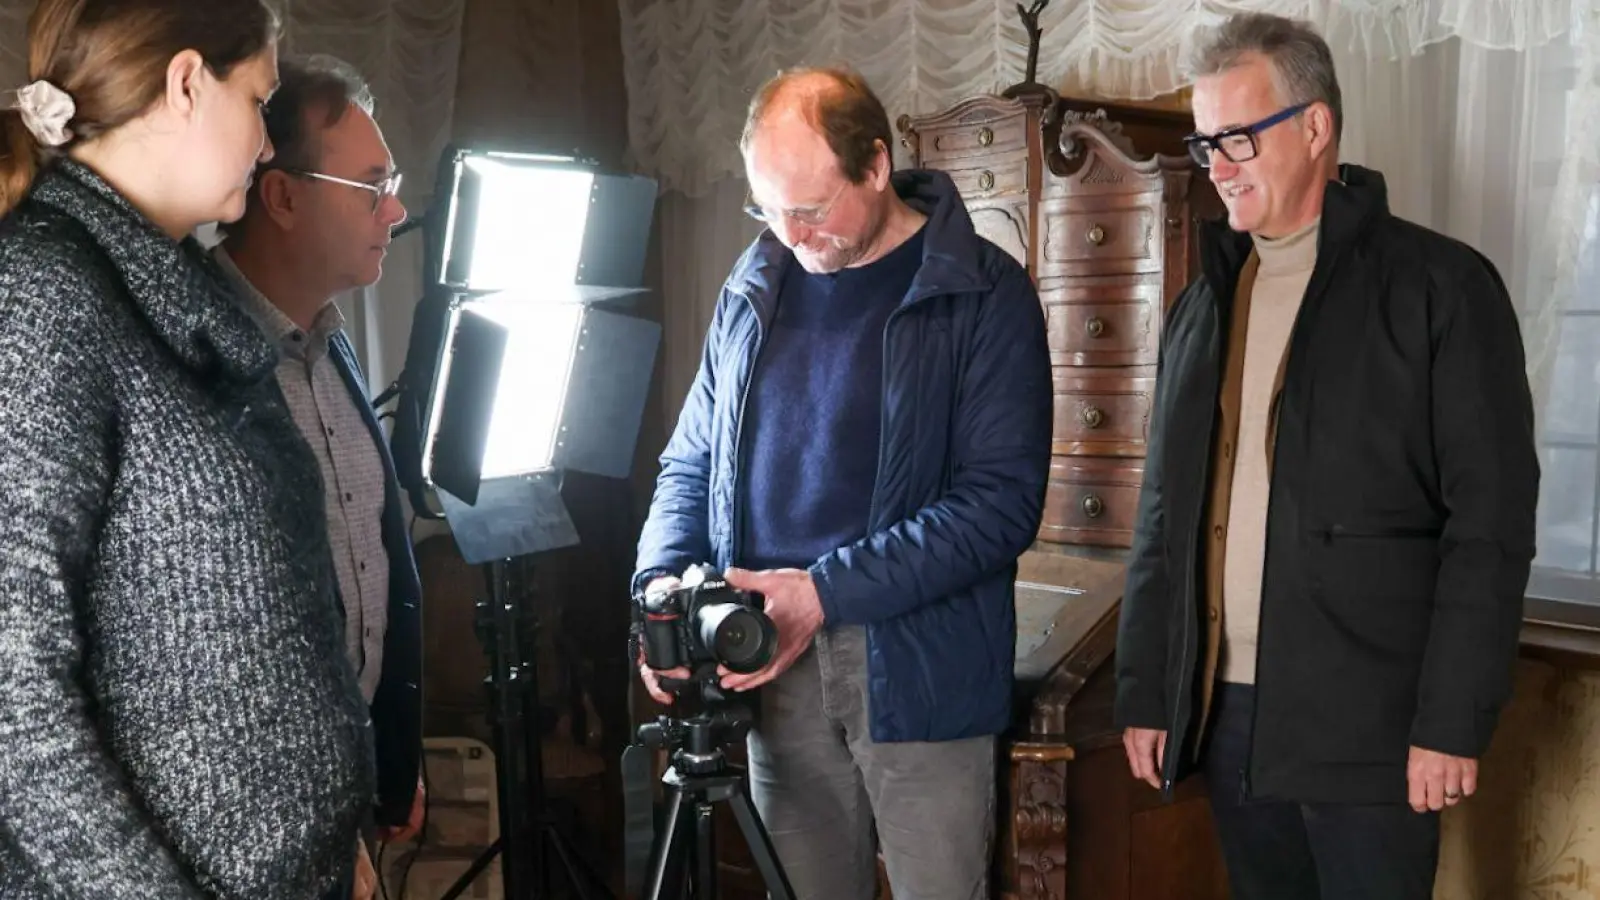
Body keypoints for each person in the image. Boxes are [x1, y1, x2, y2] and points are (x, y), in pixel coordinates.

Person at [1113, 12, 1539, 900]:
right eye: (1205, 144)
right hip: (1225, 718)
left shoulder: (1443, 289)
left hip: (1375, 729)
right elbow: (1162, 519)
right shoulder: (1204, 306)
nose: (1218, 165)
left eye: (1237, 137)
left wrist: (1451, 723)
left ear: (1315, 127)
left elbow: (1489, 526)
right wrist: (1148, 693)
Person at [632, 67, 1052, 900]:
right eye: (769, 209)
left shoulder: (987, 294)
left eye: (811, 209)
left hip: (921, 674)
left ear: (874, 166)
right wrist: (656, 589)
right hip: (767, 659)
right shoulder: (751, 288)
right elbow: (689, 461)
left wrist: (823, 593)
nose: (788, 233)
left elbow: (1000, 505)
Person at [0, 2, 375, 898]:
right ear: (184, 83)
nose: (262, 140)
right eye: (257, 100)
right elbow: (15, 695)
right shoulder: (43, 292)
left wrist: (336, 836)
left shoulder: (157, 281)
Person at [213, 54, 423, 900]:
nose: (396, 210)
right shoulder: (195, 362)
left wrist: (393, 757)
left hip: (355, 790)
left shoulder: (330, 341)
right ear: (284, 196)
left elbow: (376, 562)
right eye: (370, 186)